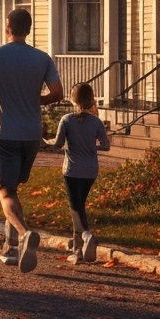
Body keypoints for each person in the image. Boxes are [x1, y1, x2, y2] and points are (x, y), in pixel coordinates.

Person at [0, 8, 64, 274]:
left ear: (7, 27)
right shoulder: (42, 58)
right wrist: (38, 100)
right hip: (32, 134)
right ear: (29, 29)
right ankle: (9, 246)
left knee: (6, 192)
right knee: (14, 189)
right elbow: (56, 92)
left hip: (4, 132)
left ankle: (24, 235)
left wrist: (1, 90)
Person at [46, 83, 112, 264]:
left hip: (72, 170)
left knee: (75, 208)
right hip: (90, 170)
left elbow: (58, 144)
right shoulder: (96, 122)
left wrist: (45, 141)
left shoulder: (67, 120)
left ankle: (86, 235)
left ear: (73, 98)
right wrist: (93, 146)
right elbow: (106, 146)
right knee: (79, 206)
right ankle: (78, 251)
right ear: (90, 99)